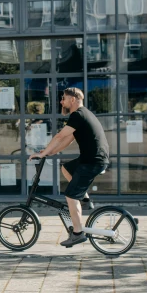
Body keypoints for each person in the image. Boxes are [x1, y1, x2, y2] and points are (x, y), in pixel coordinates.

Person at [30, 87, 109, 247]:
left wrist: (43, 152)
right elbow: (68, 140)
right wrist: (51, 152)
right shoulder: (82, 114)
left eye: (63, 98)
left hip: (93, 161)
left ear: (72, 100)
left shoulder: (78, 114)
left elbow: (60, 135)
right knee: (66, 168)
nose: (61, 101)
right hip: (90, 159)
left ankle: (78, 233)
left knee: (71, 196)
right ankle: (85, 200)